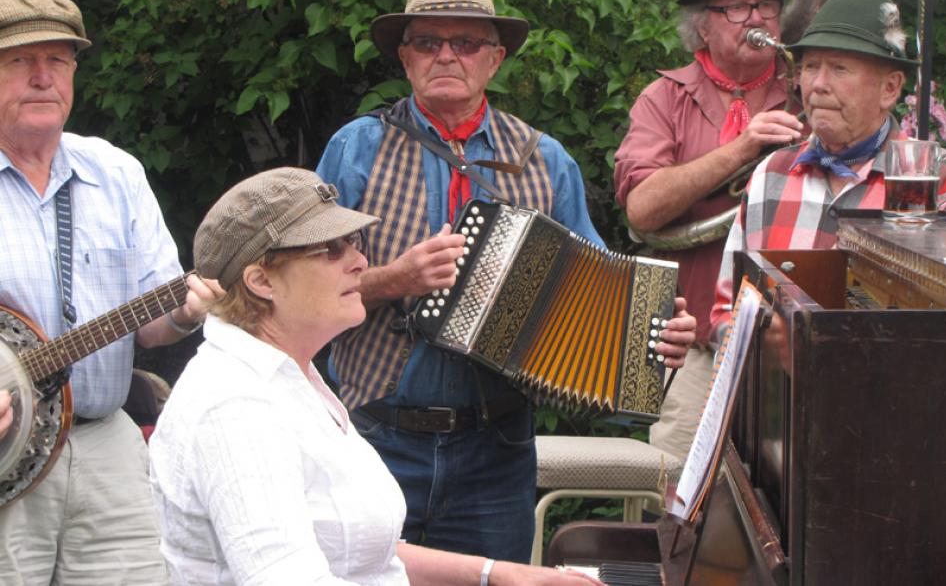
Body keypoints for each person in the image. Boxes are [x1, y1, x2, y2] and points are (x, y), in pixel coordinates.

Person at [316, 0, 697, 563]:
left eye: (465, 42)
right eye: (427, 42)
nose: (446, 55)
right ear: (405, 58)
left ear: (494, 59)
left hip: (497, 447)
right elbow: (299, 295)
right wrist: (397, 279)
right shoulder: (355, 149)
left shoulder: (545, 160)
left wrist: (658, 335)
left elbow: (605, 294)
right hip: (376, 437)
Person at [149, 166, 605, 586]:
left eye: (354, 244)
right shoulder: (236, 408)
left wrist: (501, 575)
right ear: (261, 281)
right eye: (330, 250)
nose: (359, 263)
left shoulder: (290, 374)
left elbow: (365, 556)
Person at [0, 0, 221, 584]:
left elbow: (152, 322)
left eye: (59, 60)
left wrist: (184, 314)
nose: (43, 77)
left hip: (105, 443)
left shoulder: (115, 173)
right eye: (21, 60)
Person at [613, 0, 803, 462]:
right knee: (682, 490)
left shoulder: (807, 88)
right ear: (703, 25)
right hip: (697, 344)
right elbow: (644, 209)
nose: (756, 18)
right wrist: (743, 149)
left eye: (766, 6)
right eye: (737, 9)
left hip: (795, 348)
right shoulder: (664, 99)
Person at [710, 0, 946, 336]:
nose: (818, 84)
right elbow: (723, 312)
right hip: (780, 390)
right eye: (810, 67)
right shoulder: (772, 174)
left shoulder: (935, 180)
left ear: (890, 89)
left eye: (839, 69)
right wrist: (754, 334)